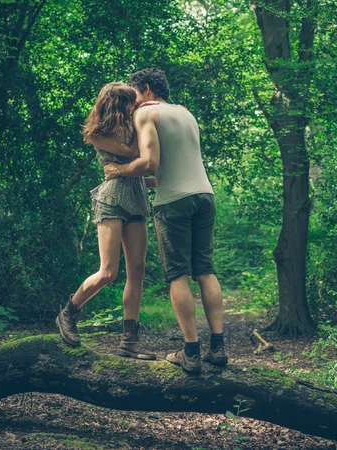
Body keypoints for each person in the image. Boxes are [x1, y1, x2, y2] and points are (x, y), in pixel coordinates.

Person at [104, 68, 228, 373]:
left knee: (178, 275)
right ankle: (218, 347)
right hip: (204, 196)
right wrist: (142, 182)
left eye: (133, 94)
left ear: (145, 89)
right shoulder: (185, 113)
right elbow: (171, 170)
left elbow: (150, 163)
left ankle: (191, 352)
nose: (131, 103)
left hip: (173, 204)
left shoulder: (146, 114)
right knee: (206, 271)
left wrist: (118, 171)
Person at [55, 82, 156, 361]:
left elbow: (146, 158)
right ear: (118, 104)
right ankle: (68, 314)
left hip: (137, 197)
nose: (136, 106)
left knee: (137, 270)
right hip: (111, 200)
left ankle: (129, 341)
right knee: (108, 271)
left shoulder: (138, 125)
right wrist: (149, 121)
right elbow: (133, 150)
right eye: (131, 103)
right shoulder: (98, 133)